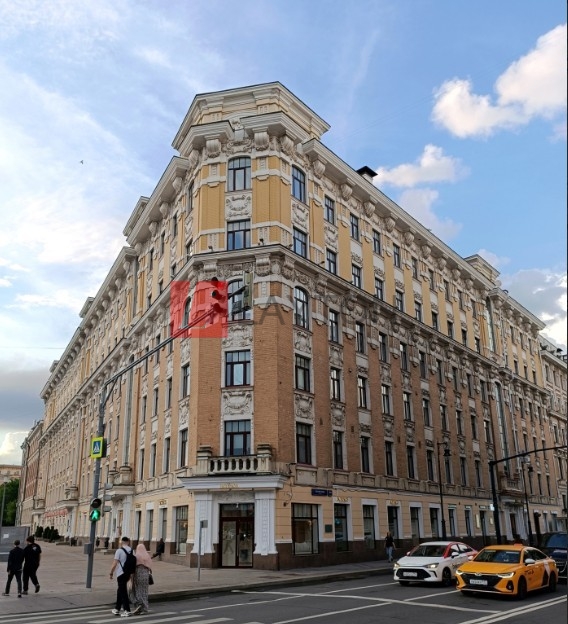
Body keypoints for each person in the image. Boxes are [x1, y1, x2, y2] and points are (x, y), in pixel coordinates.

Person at [109, 536, 134, 617]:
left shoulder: (119, 551)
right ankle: (117, 608)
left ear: (122, 542)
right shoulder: (132, 551)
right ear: (128, 542)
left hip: (120, 573)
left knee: (123, 592)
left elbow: (114, 563)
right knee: (120, 590)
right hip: (128, 573)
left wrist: (111, 573)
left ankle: (127, 610)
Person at [130, 544, 152, 615]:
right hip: (146, 576)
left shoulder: (137, 556)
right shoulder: (147, 556)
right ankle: (144, 608)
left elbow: (133, 567)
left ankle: (140, 605)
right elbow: (150, 567)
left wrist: (132, 577)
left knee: (138, 589)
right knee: (144, 591)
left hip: (138, 575)